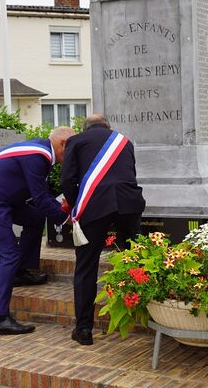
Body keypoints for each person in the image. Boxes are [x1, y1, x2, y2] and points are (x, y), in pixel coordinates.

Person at [0, 126, 75, 335]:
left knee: (34, 218)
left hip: (3, 198)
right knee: (9, 254)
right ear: (63, 144)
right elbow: (41, 198)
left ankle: (21, 272)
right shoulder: (39, 155)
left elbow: (39, 193)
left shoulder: (38, 149)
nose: (72, 157)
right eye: (72, 151)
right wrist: (68, 219)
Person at [61, 114, 146, 345]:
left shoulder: (75, 141)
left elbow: (67, 181)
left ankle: (84, 329)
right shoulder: (124, 141)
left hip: (94, 206)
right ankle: (142, 315)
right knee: (134, 260)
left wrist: (75, 205)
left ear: (84, 128)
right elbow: (131, 173)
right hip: (129, 203)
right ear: (108, 127)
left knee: (86, 266)